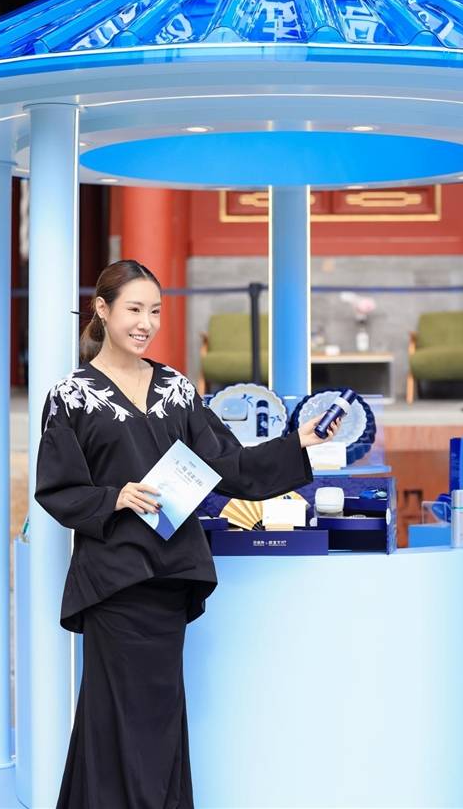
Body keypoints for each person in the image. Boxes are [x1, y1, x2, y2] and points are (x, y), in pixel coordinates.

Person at [35, 259, 339, 809]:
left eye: (155, 311)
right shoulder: (70, 397)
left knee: (159, 718)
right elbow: (57, 488)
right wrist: (114, 497)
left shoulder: (177, 389)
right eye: (134, 309)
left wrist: (299, 442)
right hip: (113, 582)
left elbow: (229, 466)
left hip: (169, 579)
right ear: (102, 310)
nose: (146, 323)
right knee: (114, 716)